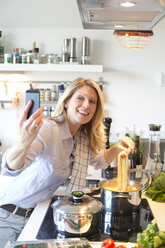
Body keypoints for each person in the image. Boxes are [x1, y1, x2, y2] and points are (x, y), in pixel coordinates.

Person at [0, 78, 134, 247]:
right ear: (66, 102)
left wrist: (117, 148)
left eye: (92, 101)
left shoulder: (81, 138)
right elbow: (11, 168)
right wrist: (23, 143)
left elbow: (97, 161)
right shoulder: (49, 129)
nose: (87, 105)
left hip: (35, 216)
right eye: (80, 98)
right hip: (6, 215)